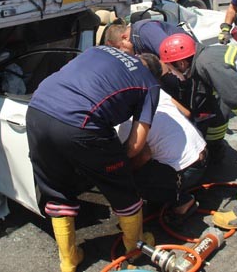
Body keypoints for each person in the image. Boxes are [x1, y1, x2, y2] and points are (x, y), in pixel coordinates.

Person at [26, 46, 163, 272]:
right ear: (155, 73)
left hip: (37, 110)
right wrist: (114, 166)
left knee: (56, 190)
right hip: (81, 123)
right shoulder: (150, 83)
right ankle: (134, 249)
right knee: (124, 192)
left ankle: (69, 260)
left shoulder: (100, 49)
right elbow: (136, 144)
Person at [117, 89, 207, 223]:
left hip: (186, 172)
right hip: (203, 154)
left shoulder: (123, 124)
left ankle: (182, 202)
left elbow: (143, 156)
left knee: (124, 177)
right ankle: (172, 187)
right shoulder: (151, 90)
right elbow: (187, 112)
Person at [158, 33, 237, 164]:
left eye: (171, 70)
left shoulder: (207, 64)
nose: (172, 74)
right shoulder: (204, 57)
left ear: (181, 64)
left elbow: (236, 98)